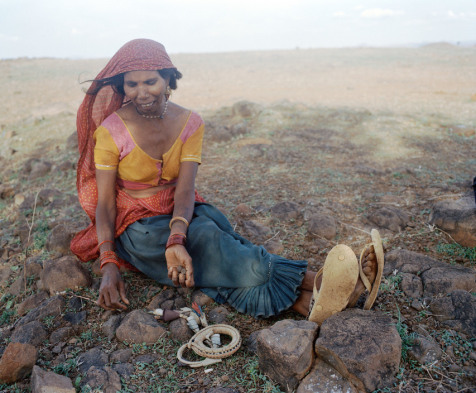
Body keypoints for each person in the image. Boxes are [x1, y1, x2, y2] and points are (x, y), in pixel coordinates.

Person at [70, 39, 382, 321]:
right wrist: (109, 264)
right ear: (121, 86)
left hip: (181, 209)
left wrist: (176, 237)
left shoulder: (190, 122)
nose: (141, 92)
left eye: (150, 81)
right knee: (210, 243)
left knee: (211, 237)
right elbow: (106, 204)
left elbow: (185, 188)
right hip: (137, 227)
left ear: (168, 78)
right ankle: (321, 281)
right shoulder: (111, 130)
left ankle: (308, 306)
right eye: (131, 84)